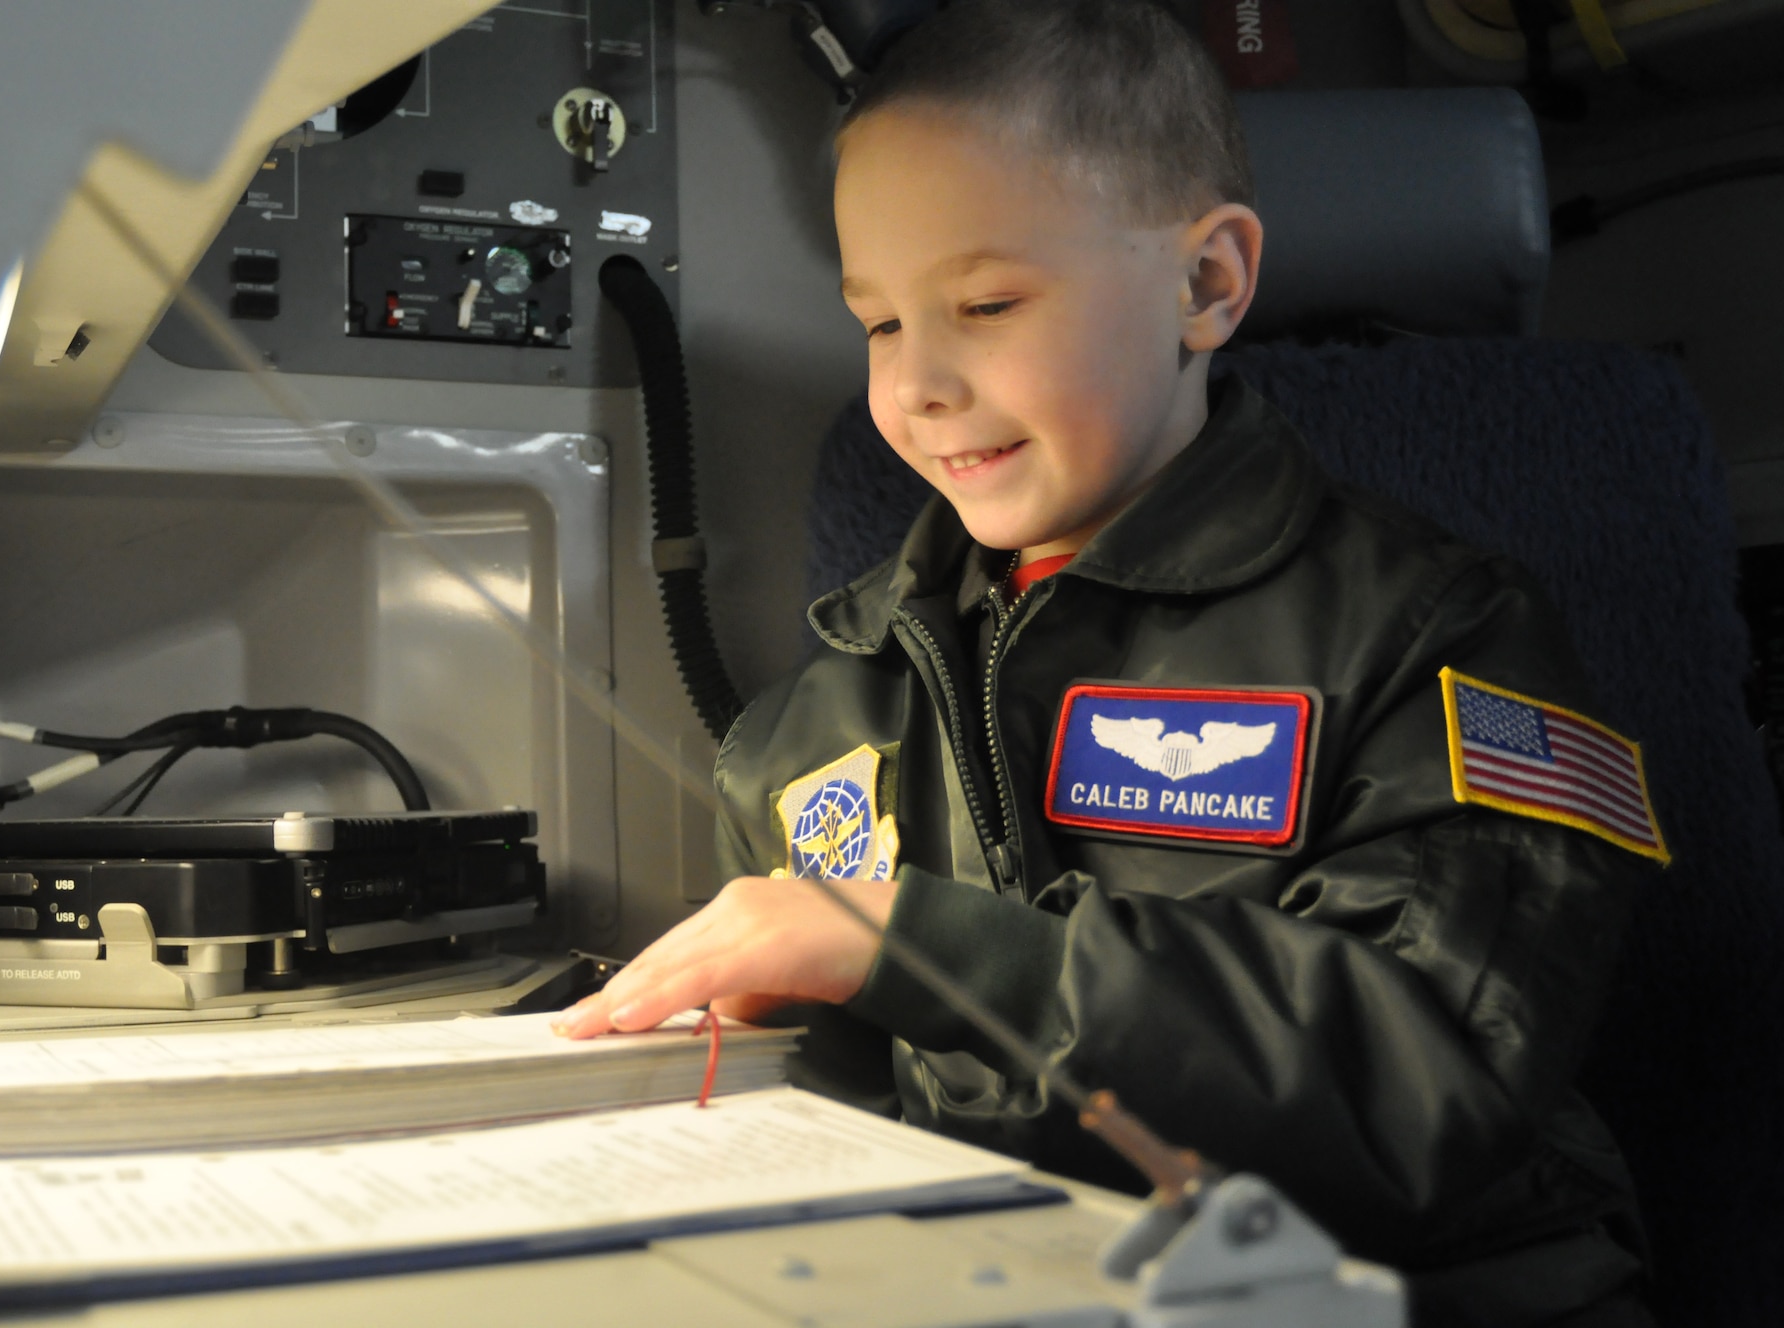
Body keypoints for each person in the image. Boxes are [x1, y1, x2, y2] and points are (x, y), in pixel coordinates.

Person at [556, 3, 1663, 1323]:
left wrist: (921, 945)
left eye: (985, 303)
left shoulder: (1441, 636)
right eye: (880, 324)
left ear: (1206, 286)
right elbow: (835, 1110)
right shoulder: (825, 716)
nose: (917, 387)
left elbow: (1427, 1082)